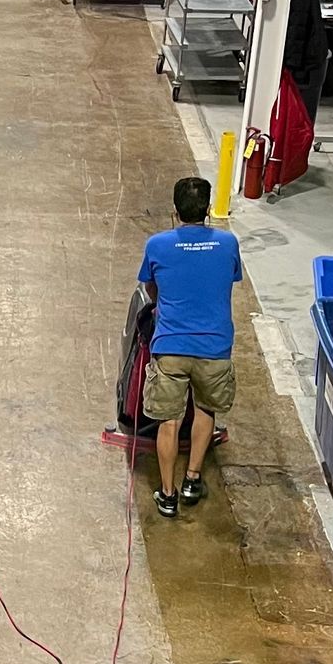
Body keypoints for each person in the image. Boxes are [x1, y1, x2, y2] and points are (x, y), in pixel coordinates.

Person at [136, 176, 242, 518]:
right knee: (206, 410)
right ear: (208, 210)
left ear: (175, 210)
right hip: (215, 347)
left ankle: (167, 495)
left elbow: (152, 290)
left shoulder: (158, 245)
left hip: (171, 346)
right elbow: (227, 282)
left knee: (169, 420)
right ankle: (192, 479)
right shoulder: (228, 244)